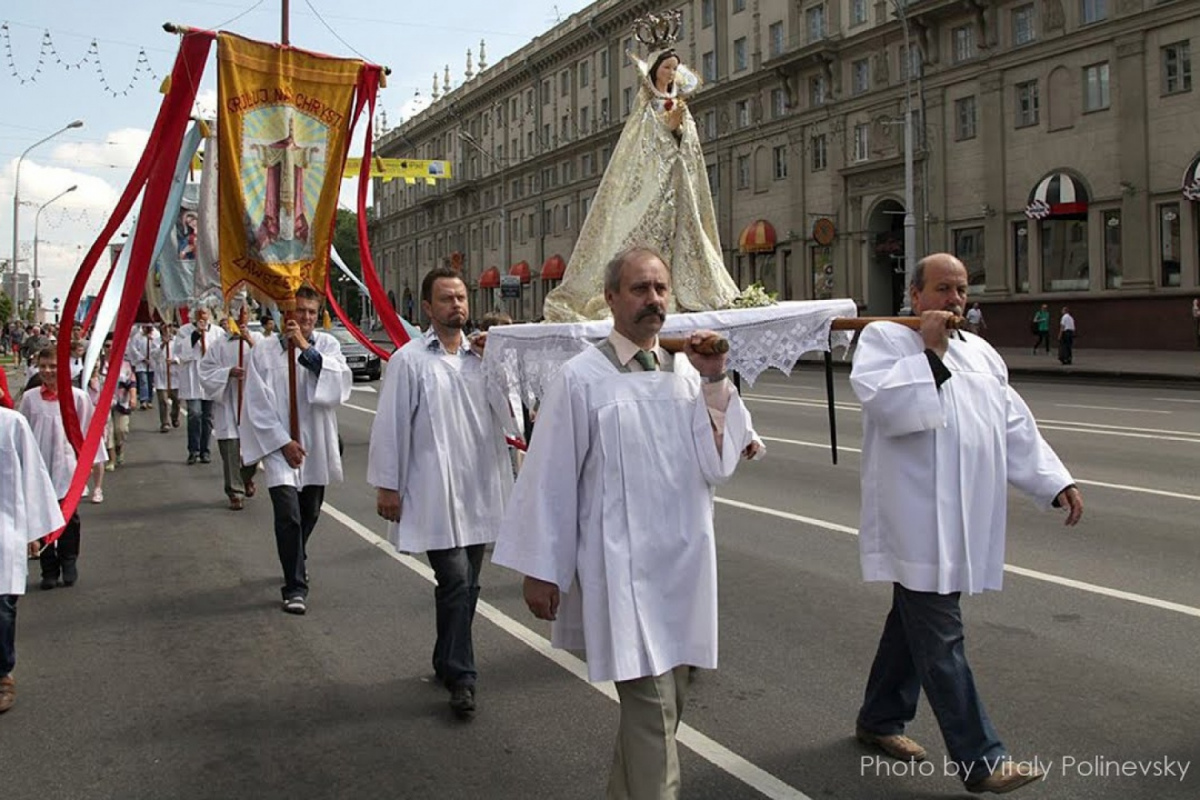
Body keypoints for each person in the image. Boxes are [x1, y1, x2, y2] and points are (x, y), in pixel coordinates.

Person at [493, 247, 763, 798]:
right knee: (653, 709)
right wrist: (542, 569)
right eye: (640, 289)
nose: (654, 300)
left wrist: (715, 382)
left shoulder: (689, 374)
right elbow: (548, 480)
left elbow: (719, 465)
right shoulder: (582, 379)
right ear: (611, 297)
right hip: (622, 572)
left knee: (669, 706)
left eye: (661, 289)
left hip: (685, 565)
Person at [849, 253, 1084, 795]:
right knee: (940, 633)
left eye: (961, 291)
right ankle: (982, 759)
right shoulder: (886, 340)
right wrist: (928, 350)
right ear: (915, 295)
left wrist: (1054, 480)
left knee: (912, 623)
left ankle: (880, 718)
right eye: (942, 289)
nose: (955, 300)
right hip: (916, 519)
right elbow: (888, 408)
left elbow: (1013, 423)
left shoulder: (980, 352)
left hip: (966, 513)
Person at [368, 266, 517, 720]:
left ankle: (445, 658)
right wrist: (388, 486)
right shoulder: (410, 361)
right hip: (433, 490)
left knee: (468, 584)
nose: (456, 305)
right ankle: (462, 676)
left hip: (478, 486)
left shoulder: (483, 356)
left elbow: (513, 418)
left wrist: (499, 363)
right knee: (454, 579)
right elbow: (391, 425)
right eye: (446, 299)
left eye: (461, 298)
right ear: (428, 309)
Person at [542, 14, 738, 322]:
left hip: (680, 183)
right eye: (666, 67)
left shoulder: (681, 106)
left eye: (675, 68)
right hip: (653, 186)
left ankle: (689, 287)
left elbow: (690, 147)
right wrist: (667, 128)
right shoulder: (647, 108)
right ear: (654, 71)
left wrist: (679, 130)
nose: (671, 73)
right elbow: (642, 149)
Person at [240, 286, 352, 615]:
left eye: (310, 313)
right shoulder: (262, 352)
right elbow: (256, 404)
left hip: (315, 442)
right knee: (288, 515)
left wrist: (305, 349)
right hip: (279, 445)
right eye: (299, 310)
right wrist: (282, 441)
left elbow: (338, 384)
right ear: (284, 311)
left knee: (310, 512)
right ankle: (295, 585)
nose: (304, 318)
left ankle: (296, 556)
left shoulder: (327, 345)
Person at [18, 347, 106, 590]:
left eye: (53, 366)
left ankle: (69, 560)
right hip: (39, 465)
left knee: (68, 516)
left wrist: (90, 463)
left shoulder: (77, 397)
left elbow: (89, 431)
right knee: (43, 516)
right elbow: (22, 431)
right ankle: (49, 568)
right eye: (43, 366)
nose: (47, 371)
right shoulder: (30, 398)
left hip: (67, 465)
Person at [0, 406, 65, 715]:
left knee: (2, 609)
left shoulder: (11, 424)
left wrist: (34, 532)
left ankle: (3, 675)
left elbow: (32, 477)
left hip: (4, 530)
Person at [200, 307, 262, 511]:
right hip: (228, 403)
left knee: (255, 450)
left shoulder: (259, 340)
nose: (239, 320)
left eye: (243, 316)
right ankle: (235, 492)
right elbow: (206, 370)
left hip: (252, 403)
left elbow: (269, 364)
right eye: (235, 317)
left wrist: (250, 342)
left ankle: (246, 478)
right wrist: (227, 373)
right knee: (230, 451)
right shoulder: (219, 344)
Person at [173, 307, 223, 464]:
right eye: (199, 313)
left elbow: (220, 352)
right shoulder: (184, 331)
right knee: (194, 414)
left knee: (208, 416)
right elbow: (180, 351)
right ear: (194, 315)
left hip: (210, 377)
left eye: (205, 313)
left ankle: (205, 450)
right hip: (193, 378)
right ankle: (193, 450)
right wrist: (196, 334)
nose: (202, 316)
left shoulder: (217, 332)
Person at [152, 322, 182, 433]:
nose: (166, 329)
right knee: (163, 401)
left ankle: (174, 416)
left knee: (177, 399)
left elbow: (182, 354)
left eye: (169, 326)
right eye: (164, 327)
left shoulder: (177, 341)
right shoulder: (155, 342)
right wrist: (163, 345)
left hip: (174, 375)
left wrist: (175, 360)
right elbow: (154, 355)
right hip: (161, 375)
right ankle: (165, 423)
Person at [128, 323, 160, 409]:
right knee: (143, 381)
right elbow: (133, 348)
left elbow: (158, 348)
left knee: (150, 382)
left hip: (151, 363)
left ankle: (149, 399)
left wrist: (152, 341)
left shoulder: (156, 335)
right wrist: (142, 358)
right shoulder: (137, 336)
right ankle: (144, 400)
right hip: (141, 363)